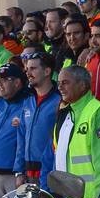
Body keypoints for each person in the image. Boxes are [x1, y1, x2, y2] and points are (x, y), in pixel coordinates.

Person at [53, 65, 100, 198]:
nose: (60, 87)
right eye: (59, 83)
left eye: (65, 82)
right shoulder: (66, 114)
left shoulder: (98, 112)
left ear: (82, 85)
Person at [0, 64, 33, 198]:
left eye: (3, 80)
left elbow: (24, 142)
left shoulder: (28, 103)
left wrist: (19, 171)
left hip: (15, 175)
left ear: (17, 82)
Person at [22, 51, 61, 186]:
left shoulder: (59, 101)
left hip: (49, 171)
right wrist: (18, 171)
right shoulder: (27, 101)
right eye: (27, 69)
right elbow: (21, 136)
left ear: (47, 71)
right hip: (27, 173)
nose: (28, 73)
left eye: (33, 68)